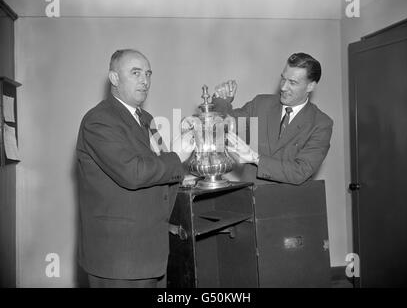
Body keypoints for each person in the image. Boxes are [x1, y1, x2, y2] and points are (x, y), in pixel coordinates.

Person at [76, 49, 194, 288]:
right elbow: (134, 173)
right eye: (136, 73)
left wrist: (183, 172)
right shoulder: (99, 120)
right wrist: (176, 157)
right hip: (119, 259)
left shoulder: (146, 118)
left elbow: (159, 166)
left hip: (150, 253)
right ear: (114, 78)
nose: (145, 80)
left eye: (148, 74)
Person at [212, 52, 333, 185]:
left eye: (292, 82)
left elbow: (300, 171)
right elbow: (224, 128)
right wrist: (222, 101)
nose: (283, 87)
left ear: (310, 86)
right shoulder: (261, 104)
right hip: (250, 199)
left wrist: (255, 158)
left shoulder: (321, 123)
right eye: (283, 79)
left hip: (288, 202)